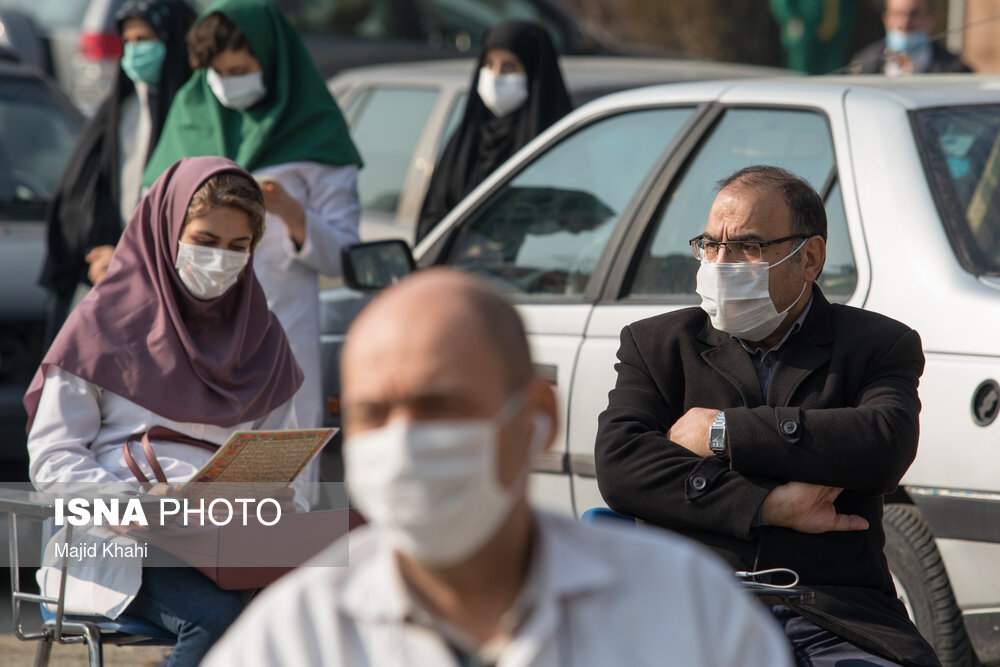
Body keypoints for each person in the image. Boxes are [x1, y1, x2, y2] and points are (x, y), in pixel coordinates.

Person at [202, 268, 793, 667]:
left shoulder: (682, 608)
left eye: (441, 408)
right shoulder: (298, 636)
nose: (404, 443)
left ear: (538, 418)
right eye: (373, 414)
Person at [595, 166, 940, 666]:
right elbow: (621, 465)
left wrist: (722, 431)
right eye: (710, 245)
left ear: (810, 259)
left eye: (748, 247)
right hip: (688, 613)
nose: (721, 262)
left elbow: (883, 443)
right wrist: (767, 505)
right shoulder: (657, 345)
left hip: (833, 615)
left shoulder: (877, 345)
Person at [25, 156, 309, 667]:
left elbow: (288, 463)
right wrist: (135, 501)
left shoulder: (263, 340)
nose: (220, 259)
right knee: (218, 623)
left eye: (238, 247)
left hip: (232, 543)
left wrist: (279, 499)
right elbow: (52, 458)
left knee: (309, 618)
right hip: (120, 546)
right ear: (166, 231)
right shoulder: (101, 327)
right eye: (204, 241)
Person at [143, 0, 363, 432]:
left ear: (272, 60)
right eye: (219, 72)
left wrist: (292, 214)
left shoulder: (315, 132)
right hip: (193, 338)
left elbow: (347, 256)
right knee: (197, 476)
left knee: (286, 480)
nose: (227, 84)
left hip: (281, 335)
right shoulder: (189, 116)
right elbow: (148, 235)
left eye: (240, 70)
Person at [39, 0, 196, 343]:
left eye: (147, 39)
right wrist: (100, 250)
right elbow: (81, 194)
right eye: (130, 42)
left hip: (169, 284)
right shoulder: (119, 111)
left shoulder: (197, 119)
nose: (136, 52)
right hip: (105, 272)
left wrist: (131, 258)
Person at [415, 20, 572, 244]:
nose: (496, 76)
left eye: (509, 67)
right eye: (489, 64)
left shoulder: (558, 145)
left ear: (535, 72)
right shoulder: (466, 141)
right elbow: (433, 220)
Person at [847, 0, 972, 75]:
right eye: (897, 14)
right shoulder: (863, 66)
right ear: (885, 19)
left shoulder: (955, 70)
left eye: (914, 14)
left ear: (933, 19)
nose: (904, 23)